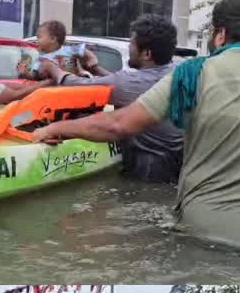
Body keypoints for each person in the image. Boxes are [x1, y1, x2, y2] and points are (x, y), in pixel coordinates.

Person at [32, 0, 240, 253]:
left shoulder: (193, 73)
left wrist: (54, 128)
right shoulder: (179, 70)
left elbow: (118, 124)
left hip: (200, 232)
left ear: (221, 34)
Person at [35, 14, 184, 184]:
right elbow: (125, 83)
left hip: (149, 172)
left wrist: (52, 68)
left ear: (147, 53)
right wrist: (96, 69)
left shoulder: (128, 83)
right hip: (178, 168)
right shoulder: (180, 70)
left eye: (132, 44)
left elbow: (77, 86)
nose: (129, 47)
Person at [23, 20, 92, 79]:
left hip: (72, 86)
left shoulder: (68, 50)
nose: (36, 40)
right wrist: (26, 73)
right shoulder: (39, 57)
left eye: (39, 37)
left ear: (53, 39)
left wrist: (92, 59)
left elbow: (85, 51)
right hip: (53, 89)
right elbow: (34, 75)